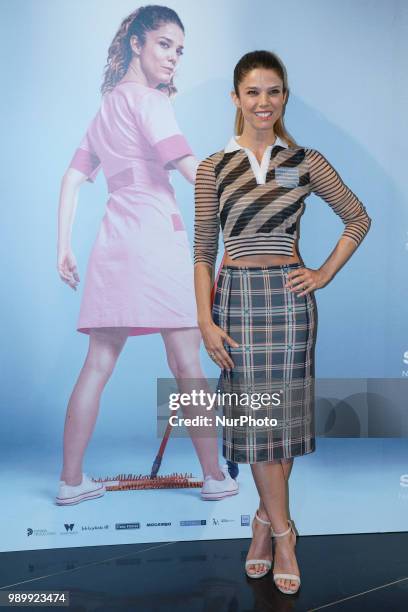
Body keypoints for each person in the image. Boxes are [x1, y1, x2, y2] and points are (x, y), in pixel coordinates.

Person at [193, 50, 371, 594]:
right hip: (237, 304)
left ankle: (267, 524)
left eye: (273, 91)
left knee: (283, 422)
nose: (263, 101)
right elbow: (203, 252)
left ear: (285, 96)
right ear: (236, 99)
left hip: (291, 304)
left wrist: (323, 274)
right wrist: (204, 321)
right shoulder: (212, 167)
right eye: (252, 92)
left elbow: (357, 217)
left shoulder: (306, 161)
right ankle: (284, 529)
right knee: (259, 422)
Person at [56, 5, 238, 506]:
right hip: (157, 241)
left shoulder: (106, 108)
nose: (174, 58)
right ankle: (215, 478)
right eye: (164, 44)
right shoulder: (151, 102)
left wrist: (63, 247)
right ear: (136, 43)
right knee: (187, 365)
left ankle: (71, 482)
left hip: (114, 243)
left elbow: (72, 178)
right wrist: (242, 194)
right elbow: (188, 167)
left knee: (97, 365)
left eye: (180, 50)